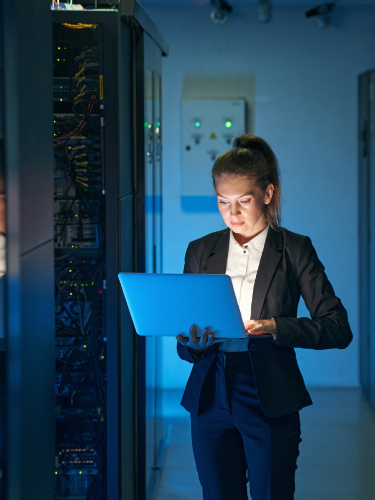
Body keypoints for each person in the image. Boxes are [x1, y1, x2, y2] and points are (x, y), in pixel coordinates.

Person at [175, 134, 353, 500]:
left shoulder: (294, 249)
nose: (233, 214)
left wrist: (276, 328)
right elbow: (184, 341)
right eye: (223, 203)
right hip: (210, 394)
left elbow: (337, 328)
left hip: (268, 392)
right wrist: (193, 345)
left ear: (267, 194)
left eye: (244, 201)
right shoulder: (200, 251)